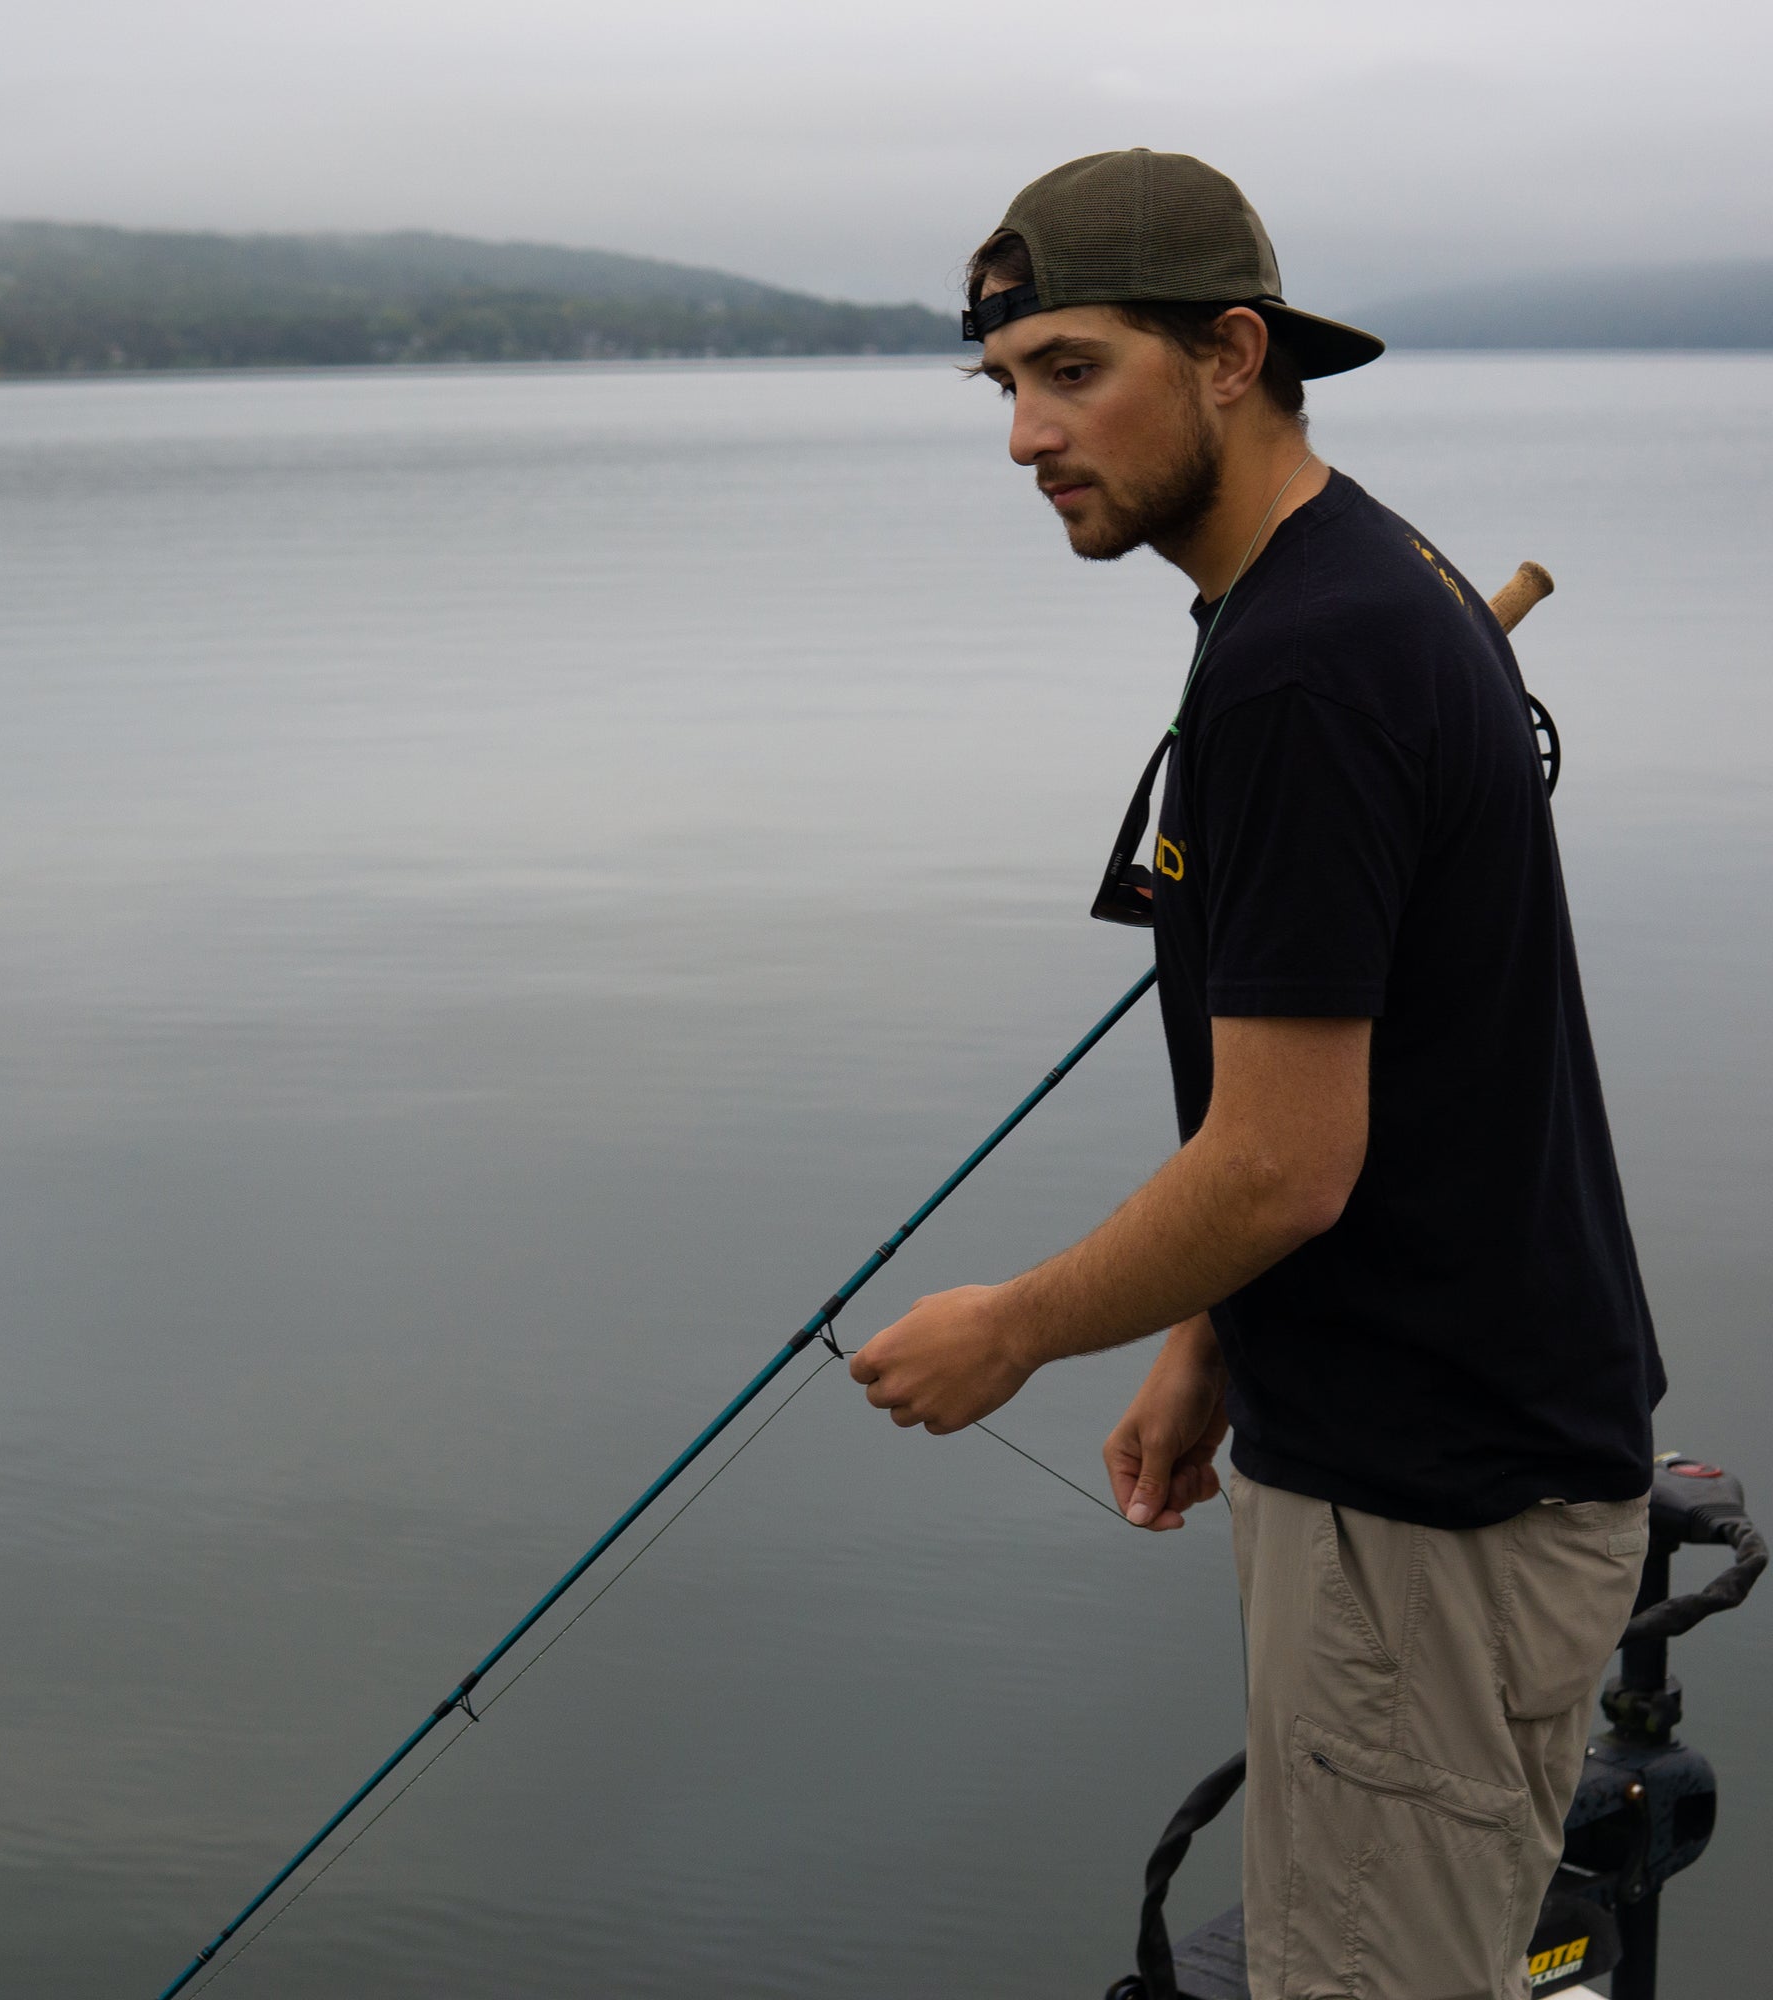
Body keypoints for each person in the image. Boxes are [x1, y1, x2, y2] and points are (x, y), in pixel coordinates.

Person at [848, 148, 1665, 2000]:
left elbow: (1283, 1167)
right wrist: (1210, 1341)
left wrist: (1016, 1328)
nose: (1025, 437)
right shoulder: (1358, 586)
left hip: (1430, 1505)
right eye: (1006, 385)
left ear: (1230, 352)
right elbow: (1405, 1077)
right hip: (1431, 1454)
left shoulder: (1306, 663)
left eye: (1073, 371)